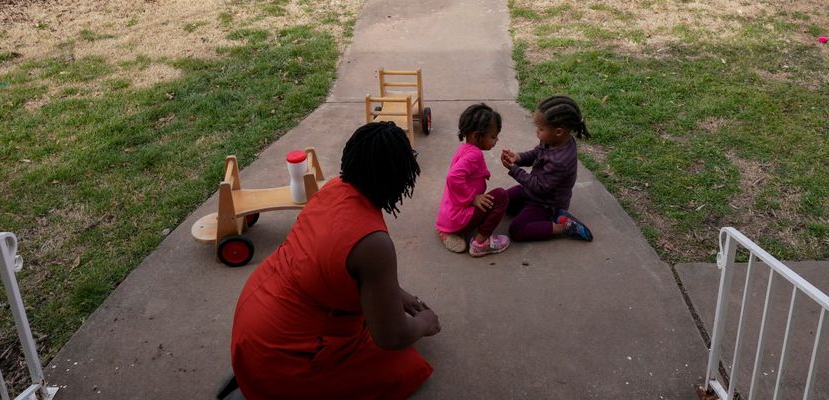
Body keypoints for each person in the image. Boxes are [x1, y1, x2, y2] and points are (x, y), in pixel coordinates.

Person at [230, 122, 440, 399]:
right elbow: (391, 336)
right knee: (406, 366)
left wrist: (396, 294)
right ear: (399, 176)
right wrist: (424, 323)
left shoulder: (333, 189)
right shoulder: (374, 244)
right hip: (280, 361)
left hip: (253, 325)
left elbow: (329, 263)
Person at [500, 95, 594, 242]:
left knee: (517, 230)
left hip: (546, 203)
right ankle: (528, 211)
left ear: (558, 131)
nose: (537, 131)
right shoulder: (555, 140)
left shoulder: (560, 162)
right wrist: (517, 157)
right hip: (531, 192)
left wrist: (514, 170)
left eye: (540, 128)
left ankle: (562, 226)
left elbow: (539, 187)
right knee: (501, 199)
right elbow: (537, 153)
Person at [435, 103, 511, 256]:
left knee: (491, 199)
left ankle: (448, 230)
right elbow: (453, 177)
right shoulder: (474, 155)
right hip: (459, 218)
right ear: (476, 136)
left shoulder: (464, 149)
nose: (496, 140)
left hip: (450, 215)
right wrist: (473, 198)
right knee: (501, 196)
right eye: (493, 136)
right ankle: (480, 243)